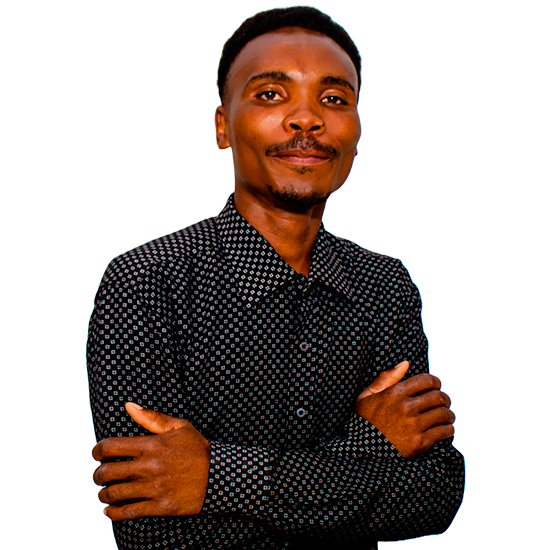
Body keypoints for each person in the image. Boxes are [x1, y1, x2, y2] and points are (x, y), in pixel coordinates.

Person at [87, 5, 465, 550]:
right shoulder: (146, 284)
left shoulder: (384, 287)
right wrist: (371, 445)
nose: (306, 119)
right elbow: (153, 533)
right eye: (270, 94)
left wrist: (212, 477)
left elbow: (433, 495)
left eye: (333, 99)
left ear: (358, 129)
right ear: (223, 126)